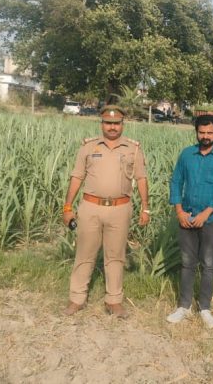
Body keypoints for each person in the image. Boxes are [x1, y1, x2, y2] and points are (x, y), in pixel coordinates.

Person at [62, 105, 150, 319]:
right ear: (102, 123)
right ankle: (77, 298)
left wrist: (145, 207)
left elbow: (141, 178)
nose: (112, 127)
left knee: (116, 256)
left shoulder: (133, 149)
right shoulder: (88, 147)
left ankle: (114, 300)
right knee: (85, 253)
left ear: (122, 124)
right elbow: (77, 176)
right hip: (90, 208)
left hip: (120, 209)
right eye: (108, 123)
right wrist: (67, 207)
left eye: (116, 123)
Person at [166, 114, 213, 329]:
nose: (205, 136)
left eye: (209, 133)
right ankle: (184, 306)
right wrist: (179, 211)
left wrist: (206, 213)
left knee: (208, 264)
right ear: (196, 132)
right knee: (187, 262)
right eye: (201, 132)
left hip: (212, 219)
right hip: (187, 216)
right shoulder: (187, 154)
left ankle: (204, 308)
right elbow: (176, 182)